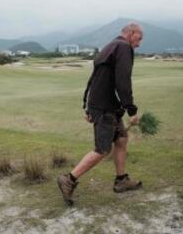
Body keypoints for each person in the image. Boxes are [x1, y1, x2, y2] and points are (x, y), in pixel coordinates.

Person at [57, 23, 144, 206]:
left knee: (121, 139)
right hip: (105, 108)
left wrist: (87, 106)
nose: (139, 43)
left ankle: (121, 180)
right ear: (131, 33)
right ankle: (69, 179)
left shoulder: (110, 46)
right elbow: (123, 81)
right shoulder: (123, 47)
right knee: (102, 149)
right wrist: (132, 110)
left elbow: (93, 79)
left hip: (106, 106)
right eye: (139, 38)